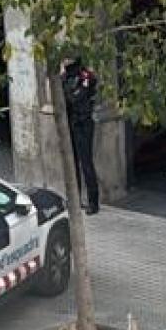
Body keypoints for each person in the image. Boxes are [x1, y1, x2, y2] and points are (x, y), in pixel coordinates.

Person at [60, 59, 101, 215]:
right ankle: (75, 199)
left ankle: (93, 202)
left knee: (86, 163)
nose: (64, 61)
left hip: (83, 123)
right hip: (72, 122)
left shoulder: (84, 76)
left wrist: (63, 80)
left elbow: (75, 97)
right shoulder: (69, 76)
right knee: (72, 163)